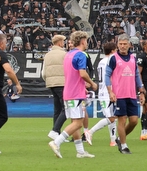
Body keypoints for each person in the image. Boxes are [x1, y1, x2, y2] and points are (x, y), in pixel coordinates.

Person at [49, 31, 97, 159]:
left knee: (75, 122)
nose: (86, 43)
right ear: (82, 41)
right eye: (86, 41)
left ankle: (80, 152)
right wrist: (92, 83)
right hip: (76, 94)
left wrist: (82, 87)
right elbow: (82, 73)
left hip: (68, 91)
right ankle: (56, 142)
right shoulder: (80, 55)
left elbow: (72, 75)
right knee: (78, 123)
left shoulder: (68, 54)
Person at [105, 34, 145, 154]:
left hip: (131, 94)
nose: (122, 46)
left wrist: (141, 90)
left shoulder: (133, 58)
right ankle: (123, 145)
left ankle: (119, 138)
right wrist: (110, 91)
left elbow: (137, 75)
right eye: (120, 44)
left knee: (134, 121)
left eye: (124, 44)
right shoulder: (113, 58)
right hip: (119, 95)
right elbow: (107, 75)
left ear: (129, 45)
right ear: (117, 45)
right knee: (122, 120)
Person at [0, 33, 22, 154]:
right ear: (1, 43)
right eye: (5, 42)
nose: (6, 45)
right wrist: (17, 84)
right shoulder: (0, 54)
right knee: (2, 116)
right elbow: (8, 70)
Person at [87, 41, 118, 146]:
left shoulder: (101, 61)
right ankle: (90, 132)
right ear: (113, 51)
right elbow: (111, 76)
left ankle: (113, 140)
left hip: (104, 91)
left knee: (112, 116)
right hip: (107, 92)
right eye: (116, 50)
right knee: (111, 118)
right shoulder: (110, 61)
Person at [42, 34, 67, 139]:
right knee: (67, 109)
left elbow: (43, 73)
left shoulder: (47, 55)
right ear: (60, 42)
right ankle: (55, 130)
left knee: (57, 109)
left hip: (51, 83)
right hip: (62, 83)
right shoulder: (64, 54)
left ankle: (57, 133)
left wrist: (49, 81)